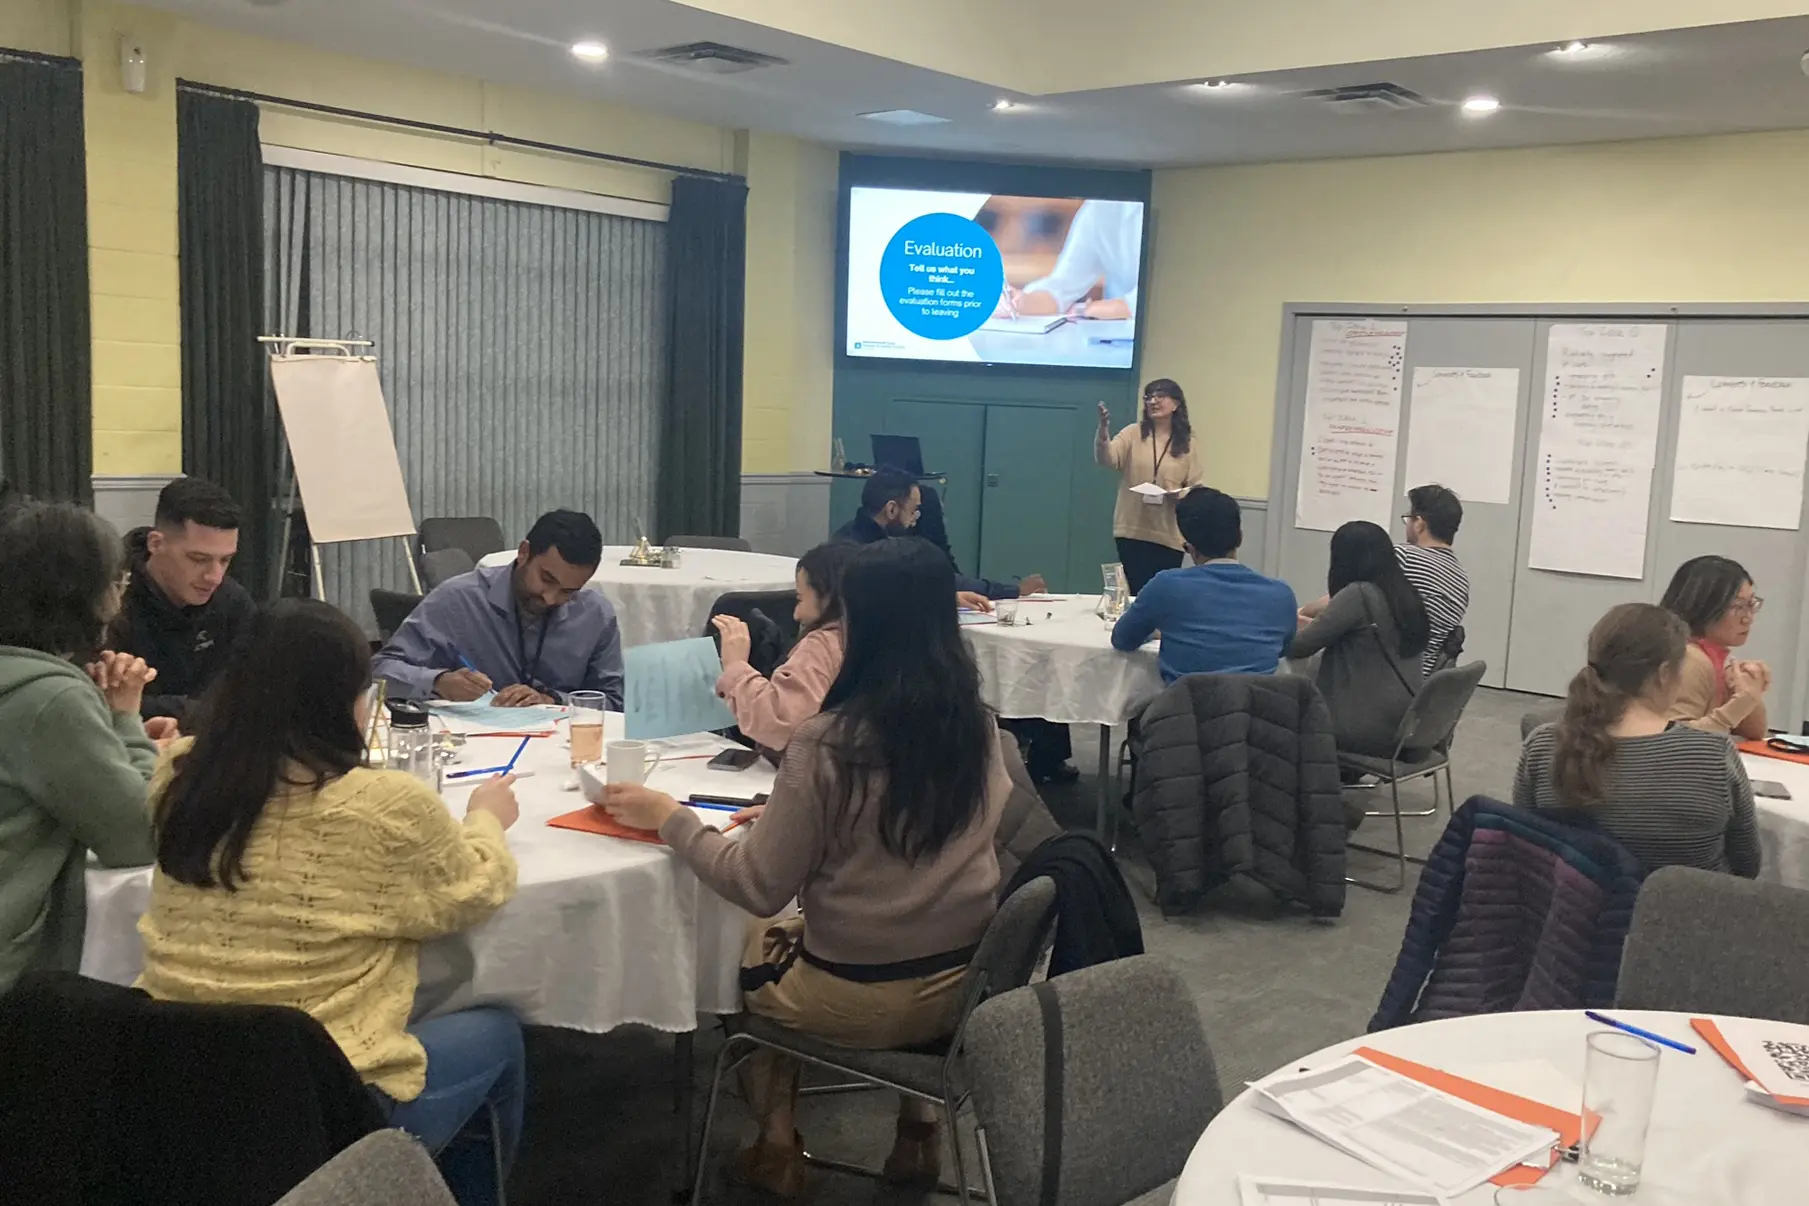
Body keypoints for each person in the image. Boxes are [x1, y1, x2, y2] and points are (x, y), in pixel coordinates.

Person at [601, 539, 1010, 1198]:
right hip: (965, 984)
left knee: (737, 945)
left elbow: (755, 885)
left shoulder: (829, 745)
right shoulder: (980, 728)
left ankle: (776, 1144)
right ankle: (915, 1133)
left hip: (854, 995)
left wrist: (668, 819)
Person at [138, 599, 523, 1205]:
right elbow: (472, 893)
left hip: (175, 1083)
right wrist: (486, 821)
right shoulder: (385, 806)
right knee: (499, 1037)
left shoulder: (181, 774)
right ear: (340, 700)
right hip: (328, 1103)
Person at [0, 502, 163, 996]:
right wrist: (124, 717)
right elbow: (139, 835)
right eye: (118, 582)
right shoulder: (52, 699)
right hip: (18, 974)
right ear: (83, 594)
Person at [1516, 603, 1759, 878]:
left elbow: (1525, 853)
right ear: (1665, 673)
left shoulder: (1543, 746)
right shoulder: (1714, 756)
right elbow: (1747, 866)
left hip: (1568, 914)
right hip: (1687, 916)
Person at [373, 509, 623, 709]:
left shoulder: (595, 615)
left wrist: (552, 700)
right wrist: (439, 682)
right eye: (547, 579)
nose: (550, 598)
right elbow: (380, 670)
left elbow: (614, 702)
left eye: (569, 592)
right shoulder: (459, 600)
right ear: (524, 553)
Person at [107, 476, 256, 724]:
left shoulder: (233, 602)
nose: (214, 577)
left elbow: (252, 693)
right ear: (156, 543)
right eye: (198, 559)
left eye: (225, 560)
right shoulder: (109, 602)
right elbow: (98, 700)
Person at [1111, 487, 1298, 682]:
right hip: (1258, 709)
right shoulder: (1281, 595)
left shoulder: (1166, 587)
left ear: (1190, 548)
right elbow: (1283, 649)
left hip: (1186, 708)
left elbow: (1122, 639)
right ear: (1240, 537)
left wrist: (1157, 631)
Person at [1287, 521, 1429, 757]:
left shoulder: (1358, 594)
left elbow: (1299, 647)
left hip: (1366, 728)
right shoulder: (1403, 593)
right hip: (1406, 723)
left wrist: (1279, 627)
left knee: (1278, 709)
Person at [1301, 485, 1470, 678]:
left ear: (1419, 524)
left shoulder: (1404, 557)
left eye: (1408, 519)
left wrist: (1302, 611)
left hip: (1382, 675)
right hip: (1420, 678)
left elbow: (1346, 599)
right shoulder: (1460, 577)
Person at [712, 541, 855, 753]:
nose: (796, 614)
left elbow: (780, 723)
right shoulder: (871, 638)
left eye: (800, 599)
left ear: (827, 597)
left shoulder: (822, 647)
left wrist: (736, 667)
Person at [834, 469, 1045, 603]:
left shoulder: (845, 537)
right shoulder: (881, 553)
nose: (915, 519)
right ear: (891, 509)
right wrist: (1015, 590)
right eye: (913, 510)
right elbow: (940, 581)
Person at [1095, 379, 1208, 594]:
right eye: (1149, 397)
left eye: (1160, 396)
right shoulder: (1133, 433)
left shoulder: (1188, 442)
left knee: (1162, 593)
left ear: (1176, 404)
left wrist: (1179, 494)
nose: (1153, 401)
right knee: (1136, 593)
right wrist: (1103, 432)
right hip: (1132, 529)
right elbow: (1108, 459)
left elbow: (1196, 487)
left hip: (1168, 534)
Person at [1659, 555, 1770, 740]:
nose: (1748, 617)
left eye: (1751, 604)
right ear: (1703, 606)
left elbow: (1754, 735)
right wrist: (1744, 701)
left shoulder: (1714, 657)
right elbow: (1675, 741)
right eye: (1738, 606)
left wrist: (1750, 692)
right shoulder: (1689, 659)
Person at [994, 198, 1144, 321]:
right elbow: (1063, 284)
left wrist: (1091, 309)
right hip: (1114, 340)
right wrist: (1023, 302)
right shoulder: (1101, 209)